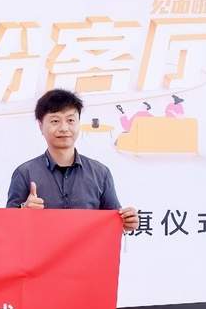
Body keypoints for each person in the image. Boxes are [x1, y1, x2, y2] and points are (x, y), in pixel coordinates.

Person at [7, 89, 138, 231]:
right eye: (55, 121)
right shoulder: (25, 173)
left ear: (78, 123)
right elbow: (8, 228)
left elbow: (114, 222)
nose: (64, 128)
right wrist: (23, 211)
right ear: (40, 126)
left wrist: (127, 222)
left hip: (88, 247)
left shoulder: (100, 173)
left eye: (70, 120)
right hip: (40, 246)